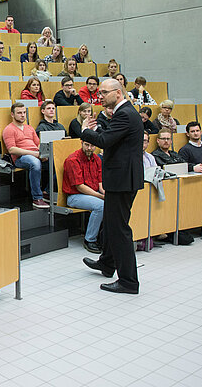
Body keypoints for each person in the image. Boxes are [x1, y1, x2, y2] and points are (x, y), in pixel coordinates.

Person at [79, 77, 144, 294]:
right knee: (111, 222)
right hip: (122, 178)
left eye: (104, 92)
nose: (100, 96)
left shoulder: (124, 114)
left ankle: (128, 281)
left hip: (122, 180)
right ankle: (107, 263)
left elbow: (105, 141)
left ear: (117, 93)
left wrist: (84, 130)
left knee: (119, 229)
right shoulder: (126, 113)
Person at [3, 102, 49, 209]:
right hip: (21, 158)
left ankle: (47, 191)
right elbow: (12, 149)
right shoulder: (9, 129)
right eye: (19, 113)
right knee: (35, 163)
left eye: (24, 112)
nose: (23, 115)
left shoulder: (29, 128)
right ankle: (37, 198)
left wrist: (43, 154)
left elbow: (38, 144)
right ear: (12, 114)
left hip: (36, 154)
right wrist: (34, 154)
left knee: (56, 161)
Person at [63, 139, 105, 253]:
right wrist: (100, 196)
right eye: (87, 145)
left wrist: (104, 192)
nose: (89, 148)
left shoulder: (96, 159)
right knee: (101, 206)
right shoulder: (73, 160)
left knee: (113, 201)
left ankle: (105, 239)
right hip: (75, 196)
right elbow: (80, 187)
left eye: (92, 145)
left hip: (93, 194)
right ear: (81, 143)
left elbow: (100, 182)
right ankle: (89, 240)